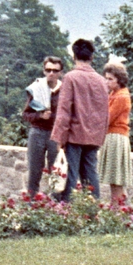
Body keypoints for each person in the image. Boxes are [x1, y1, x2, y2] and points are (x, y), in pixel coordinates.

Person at [51, 38, 109, 201]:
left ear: (73, 56)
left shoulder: (71, 77)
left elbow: (64, 111)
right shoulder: (101, 81)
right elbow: (105, 112)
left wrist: (59, 138)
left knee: (69, 174)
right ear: (91, 57)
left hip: (74, 135)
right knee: (90, 175)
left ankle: (65, 212)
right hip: (94, 137)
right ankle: (92, 211)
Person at [22, 57, 64, 197]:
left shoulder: (64, 90)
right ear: (44, 71)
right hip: (37, 132)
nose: (51, 73)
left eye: (55, 70)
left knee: (56, 171)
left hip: (55, 133)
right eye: (48, 70)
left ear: (60, 72)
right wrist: (39, 116)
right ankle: (31, 203)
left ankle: (56, 206)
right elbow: (26, 114)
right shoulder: (37, 88)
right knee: (34, 170)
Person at [101, 61, 133, 205]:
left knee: (116, 178)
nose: (107, 82)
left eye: (110, 79)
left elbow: (107, 118)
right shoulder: (115, 94)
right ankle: (119, 208)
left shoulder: (121, 96)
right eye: (106, 78)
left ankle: (117, 210)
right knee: (114, 178)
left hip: (116, 137)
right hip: (113, 136)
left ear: (119, 80)